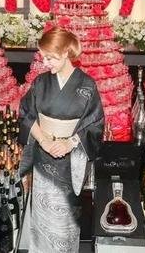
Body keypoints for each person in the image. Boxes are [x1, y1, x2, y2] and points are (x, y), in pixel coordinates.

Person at [18, 26, 104, 253]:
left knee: (65, 222)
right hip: (43, 157)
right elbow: (25, 114)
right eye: (43, 57)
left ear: (66, 53)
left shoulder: (87, 85)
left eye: (51, 58)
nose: (45, 63)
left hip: (69, 160)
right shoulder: (40, 83)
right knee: (42, 215)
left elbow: (95, 124)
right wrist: (44, 141)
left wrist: (69, 143)